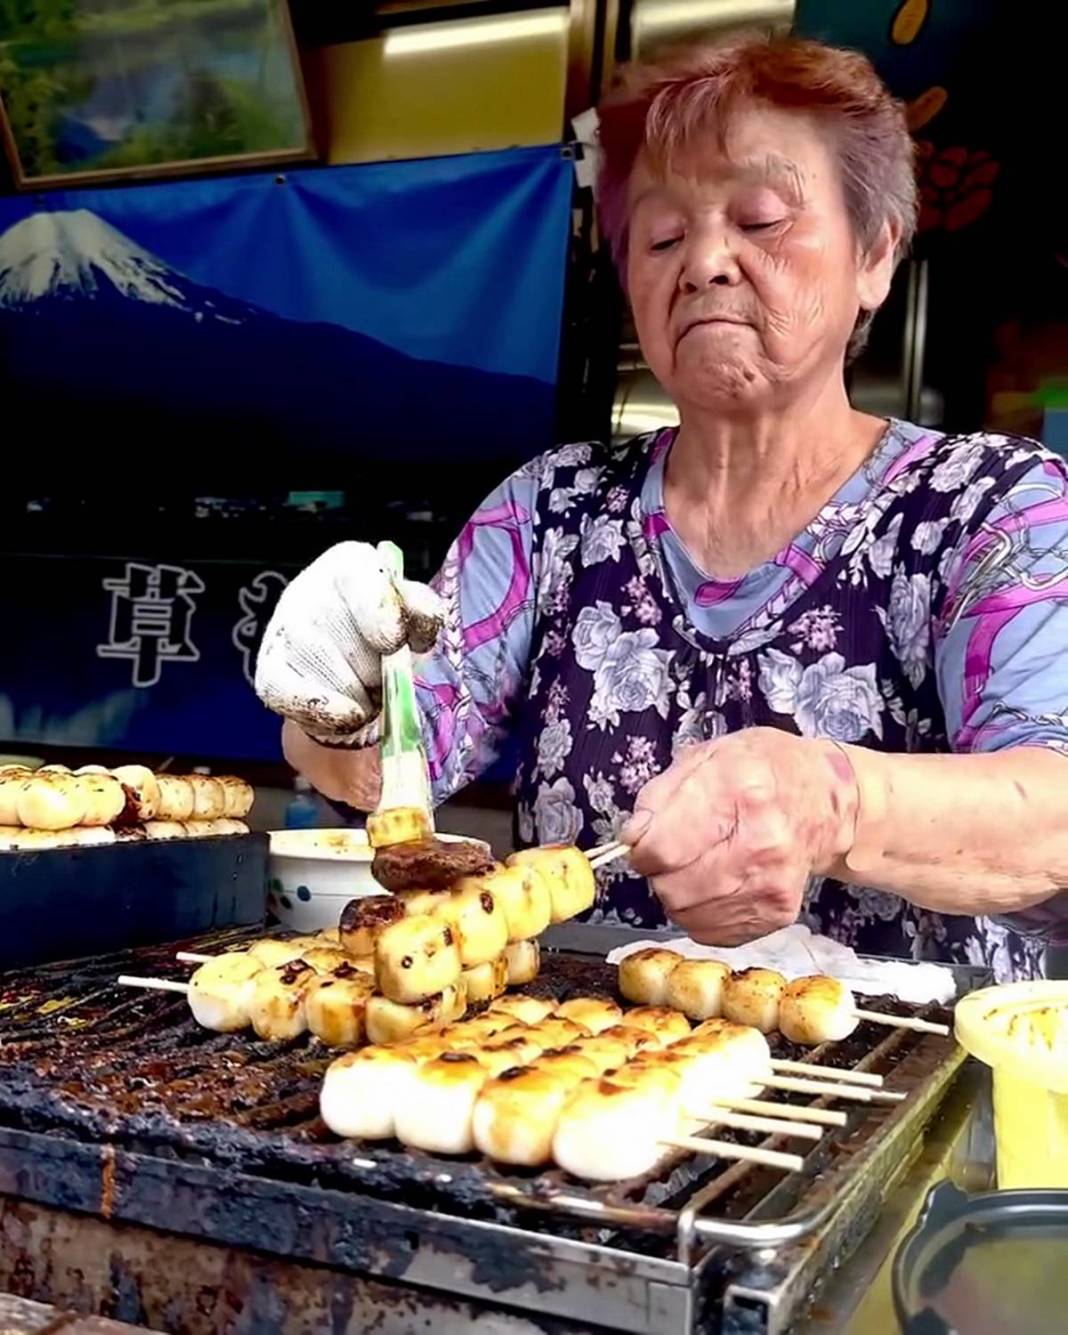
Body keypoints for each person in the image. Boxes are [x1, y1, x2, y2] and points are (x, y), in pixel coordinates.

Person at [256, 34, 1068, 981]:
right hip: (570, 1081)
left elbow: (1052, 806)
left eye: (762, 218)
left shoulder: (992, 509)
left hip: (912, 1099)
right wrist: (339, 704)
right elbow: (391, 768)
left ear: (877, 255)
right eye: (663, 236)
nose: (707, 262)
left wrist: (833, 799)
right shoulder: (552, 510)